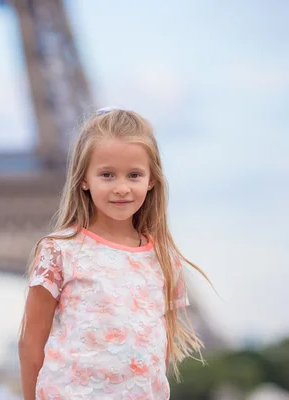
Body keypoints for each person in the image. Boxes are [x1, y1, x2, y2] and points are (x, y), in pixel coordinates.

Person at [17, 107, 211, 399]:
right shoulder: (60, 251)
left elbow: (157, 349)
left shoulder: (164, 260)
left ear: (151, 180)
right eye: (107, 175)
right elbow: (31, 342)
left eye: (133, 175)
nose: (121, 188)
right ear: (84, 179)